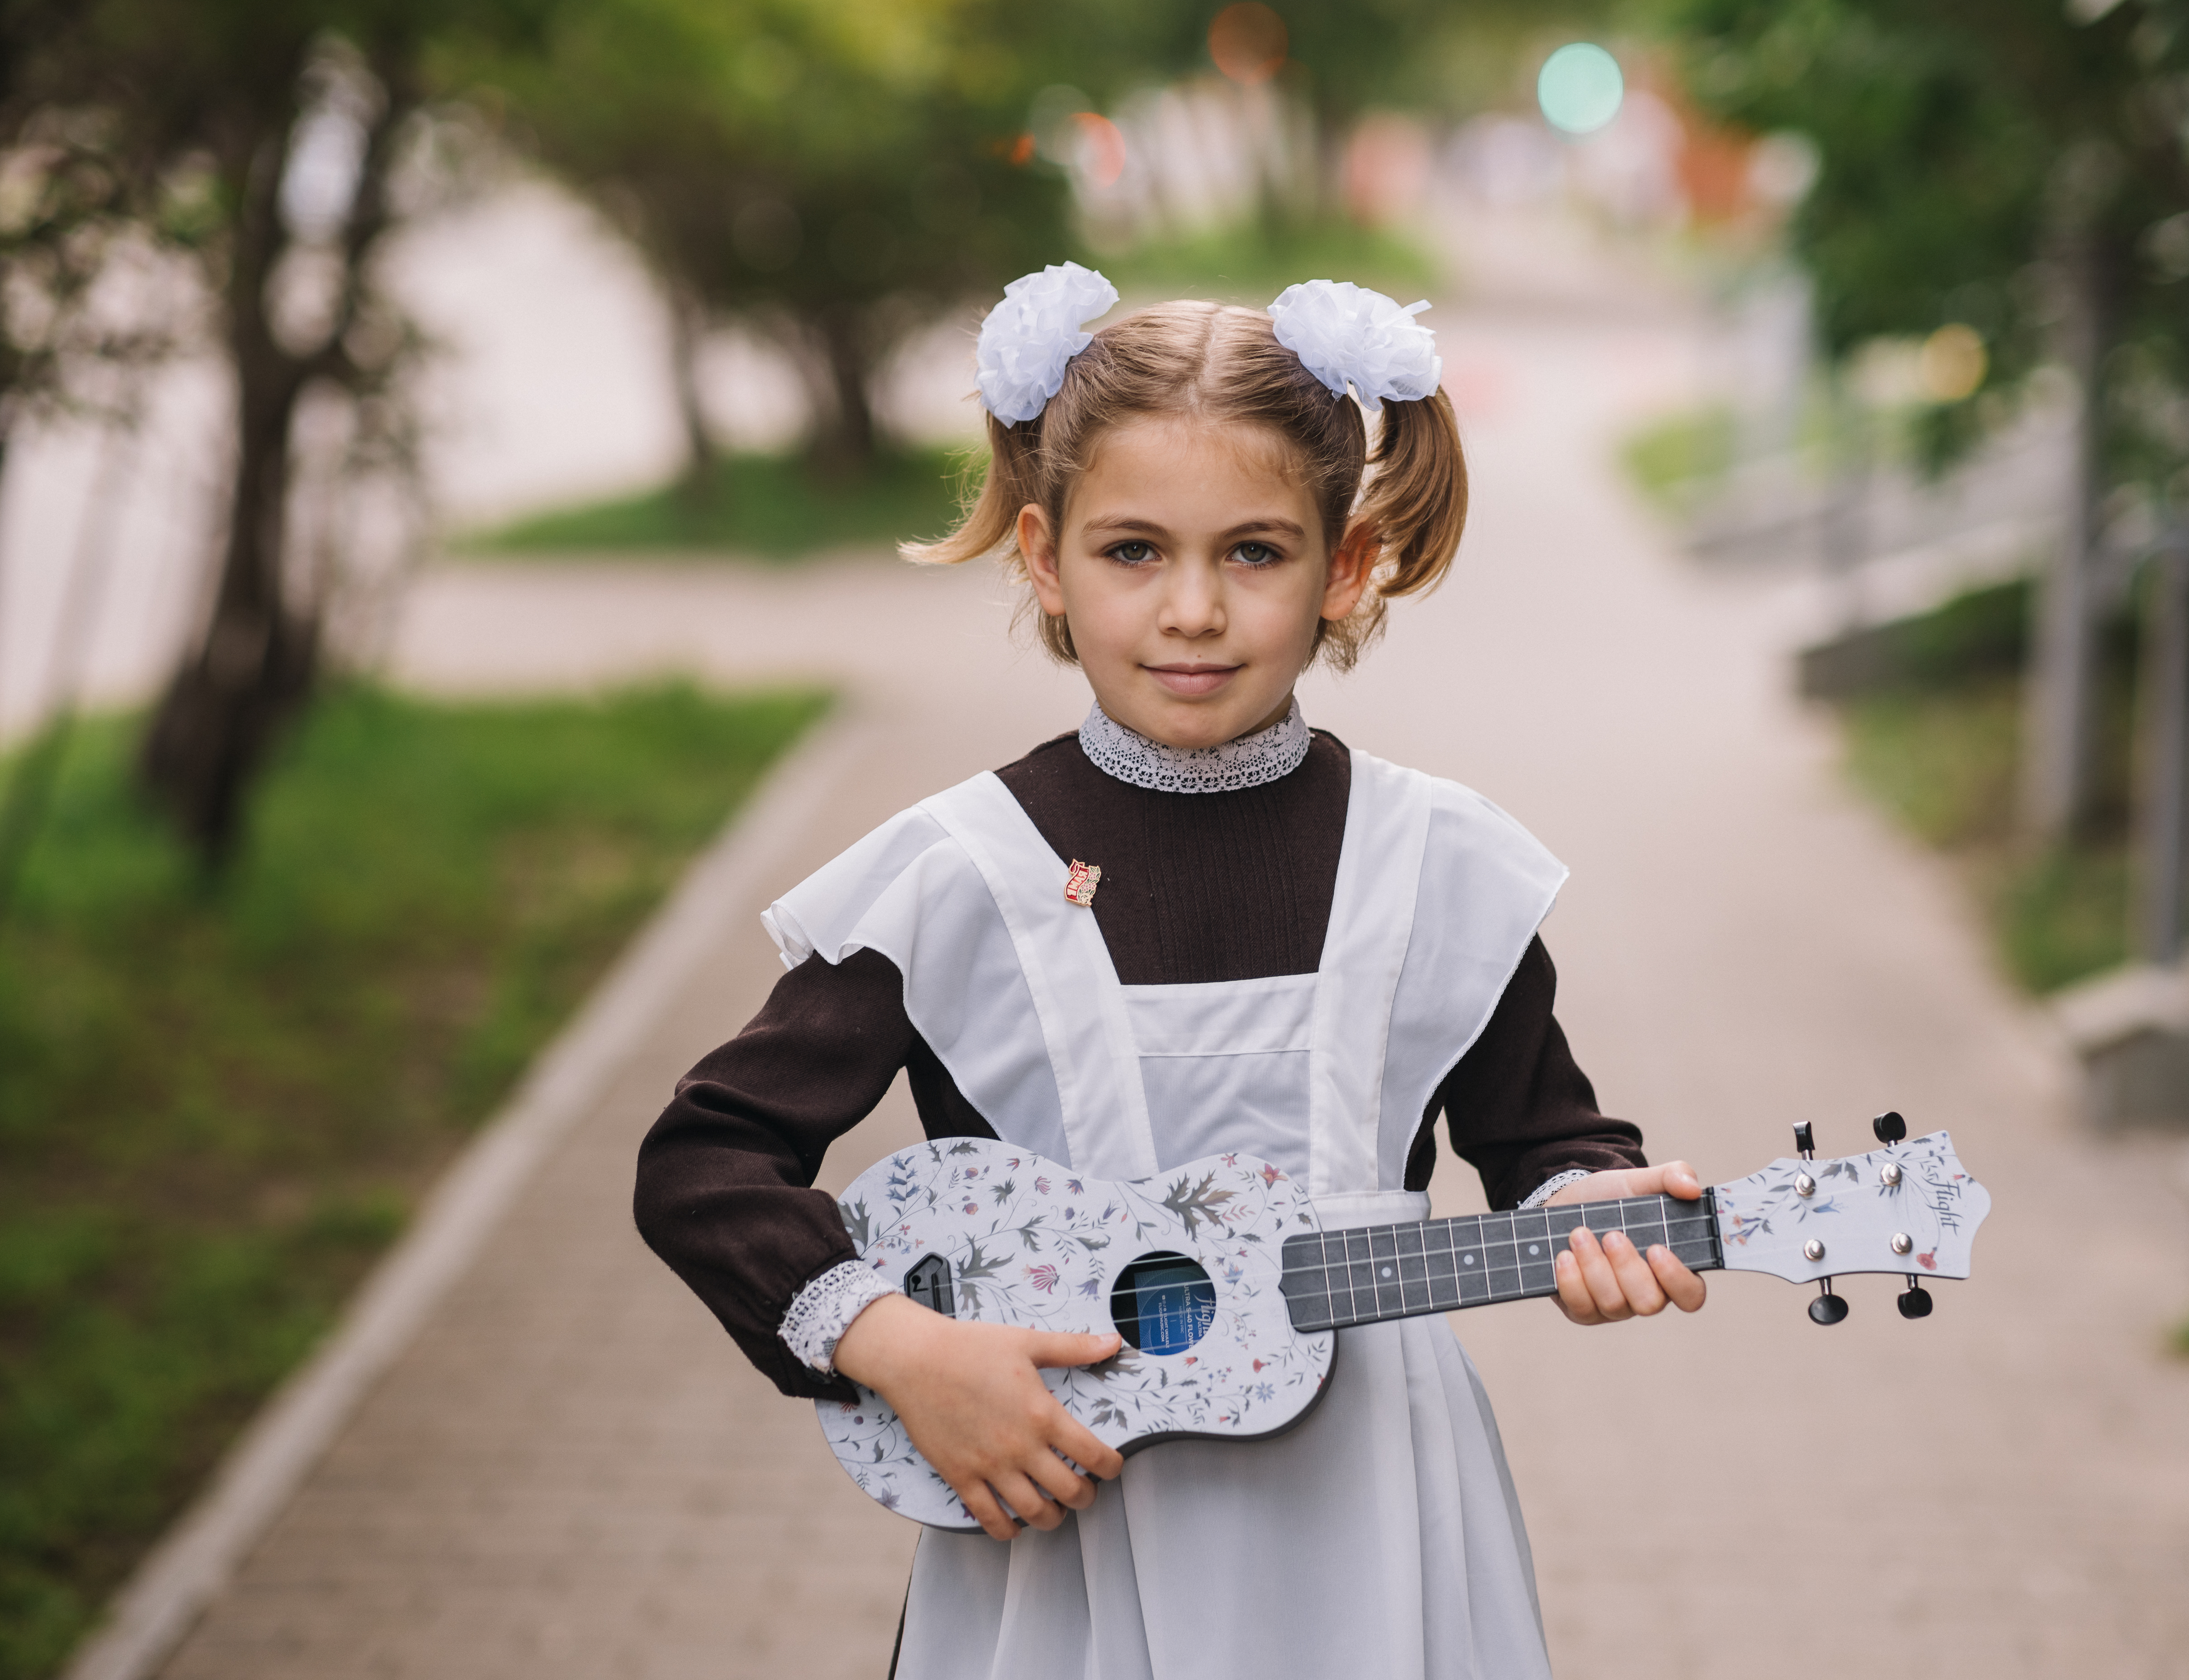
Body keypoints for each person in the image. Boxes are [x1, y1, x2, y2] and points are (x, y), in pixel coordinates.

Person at [634, 264, 1707, 1680]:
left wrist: (1593, 1202)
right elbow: (702, 1161)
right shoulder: (957, 871)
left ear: (1345, 566)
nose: (1192, 608)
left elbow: (1541, 1136)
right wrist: (897, 1346)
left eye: (1253, 552)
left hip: (1373, 1517)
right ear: (1044, 559)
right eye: (1133, 550)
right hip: (1059, 1513)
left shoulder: (1437, 860)